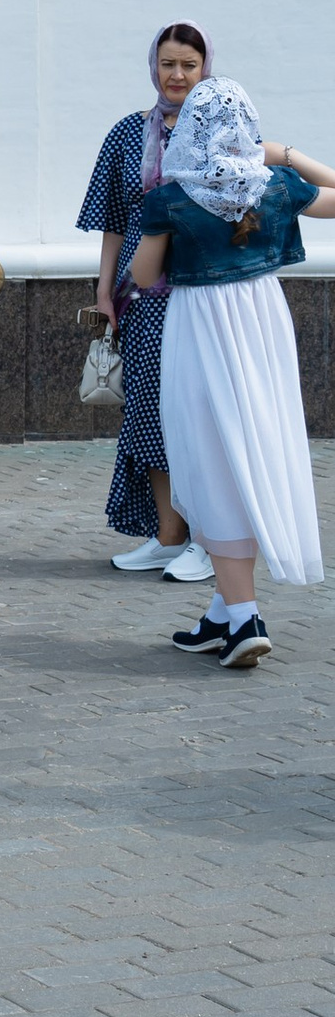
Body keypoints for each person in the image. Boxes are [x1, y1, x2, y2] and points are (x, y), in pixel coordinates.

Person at [132, 75, 335, 672]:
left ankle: (244, 615)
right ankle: (222, 611)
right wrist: (283, 154)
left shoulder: (169, 198)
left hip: (200, 327)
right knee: (251, 447)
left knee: (213, 456)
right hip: (263, 322)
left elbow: (144, 279)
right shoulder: (275, 185)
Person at [78, 26, 215, 588]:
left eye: (188, 64)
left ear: (206, 68)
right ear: (153, 66)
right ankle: (168, 536)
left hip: (202, 292)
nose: (176, 75)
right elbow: (113, 220)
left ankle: (210, 541)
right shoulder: (128, 133)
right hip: (142, 302)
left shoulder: (217, 130)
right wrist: (104, 292)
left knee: (197, 417)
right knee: (150, 416)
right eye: (167, 64)